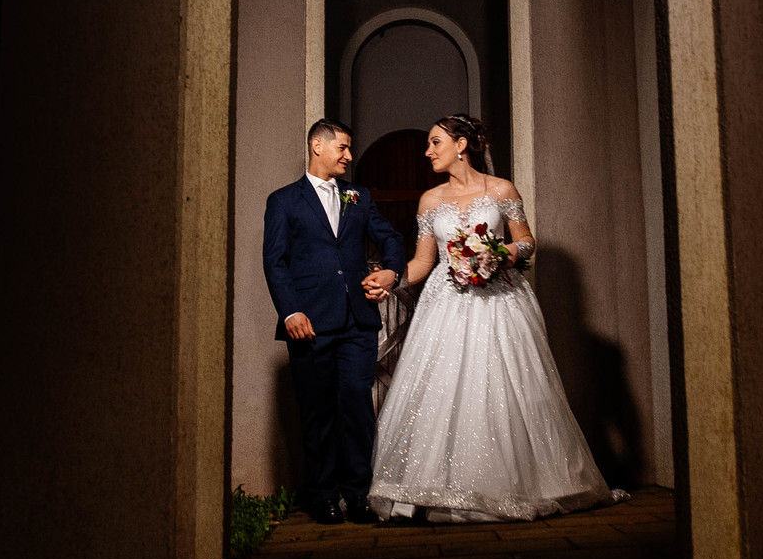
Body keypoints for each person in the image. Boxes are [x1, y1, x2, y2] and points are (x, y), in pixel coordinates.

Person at [365, 115, 615, 523]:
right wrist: (391, 280)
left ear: (461, 144)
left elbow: (527, 241)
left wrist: (503, 253)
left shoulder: (502, 190)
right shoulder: (429, 200)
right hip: (446, 305)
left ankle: (515, 485)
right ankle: (440, 488)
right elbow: (425, 262)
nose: (428, 152)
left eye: (434, 143)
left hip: (500, 300)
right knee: (446, 389)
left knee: (504, 385)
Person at [262, 118, 405, 523]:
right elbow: (275, 261)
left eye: (349, 147)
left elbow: (391, 238)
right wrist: (290, 310)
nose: (349, 155)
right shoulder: (284, 200)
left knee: (356, 405)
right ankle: (322, 496)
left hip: (357, 321)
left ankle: (357, 494)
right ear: (316, 147)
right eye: (342, 147)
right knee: (317, 411)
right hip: (309, 322)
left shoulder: (358, 196)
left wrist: (391, 272)